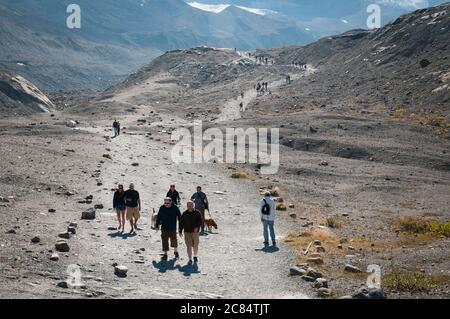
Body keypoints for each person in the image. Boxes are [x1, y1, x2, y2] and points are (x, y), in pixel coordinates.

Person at [179, 201, 203, 265]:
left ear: (193, 206)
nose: (189, 207)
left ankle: (195, 256)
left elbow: (200, 221)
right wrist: (180, 230)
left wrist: (197, 227)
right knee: (188, 246)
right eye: (188, 205)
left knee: (195, 245)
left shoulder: (197, 213)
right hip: (187, 232)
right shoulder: (184, 213)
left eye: (190, 205)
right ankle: (190, 259)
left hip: (195, 232)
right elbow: (181, 223)